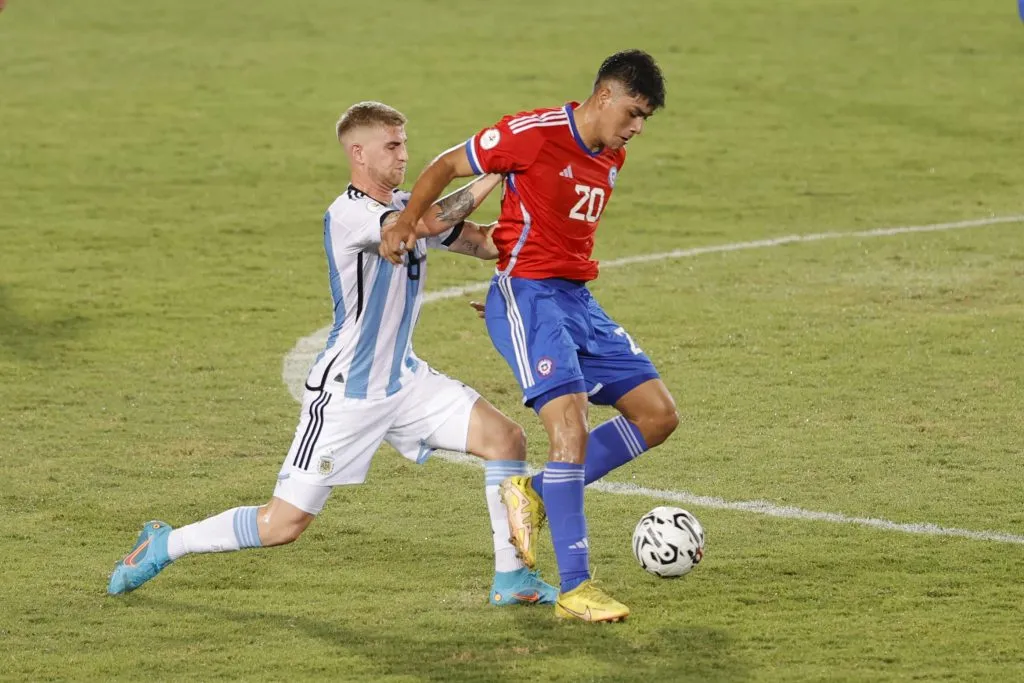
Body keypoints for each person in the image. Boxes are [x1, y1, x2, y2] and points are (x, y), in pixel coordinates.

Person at [107, 101, 557, 607]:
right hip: (347, 392)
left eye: (405, 143)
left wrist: (539, 221)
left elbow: (480, 242)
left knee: (506, 439)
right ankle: (166, 542)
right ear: (358, 153)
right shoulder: (350, 214)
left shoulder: (406, 204)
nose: (404, 154)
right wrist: (496, 166)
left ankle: (512, 579)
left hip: (405, 382)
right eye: (392, 146)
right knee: (282, 524)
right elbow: (424, 223)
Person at [380, 50, 679, 622]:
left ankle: (539, 492)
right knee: (570, 429)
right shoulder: (534, 133)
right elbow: (447, 164)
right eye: (634, 112)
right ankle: (575, 586)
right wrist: (405, 222)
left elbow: (528, 229)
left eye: (646, 119)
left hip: (576, 301)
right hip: (531, 296)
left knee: (658, 415)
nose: (637, 128)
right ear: (605, 96)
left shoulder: (611, 157)